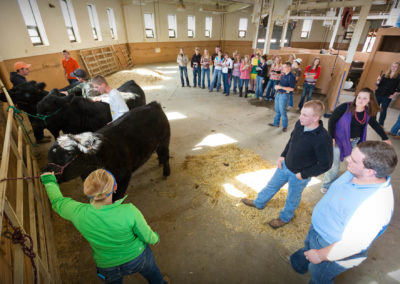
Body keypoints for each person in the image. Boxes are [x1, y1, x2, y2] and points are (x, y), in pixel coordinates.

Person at [290, 141, 397, 284]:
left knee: (319, 276)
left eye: (353, 159)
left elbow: (353, 245)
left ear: (370, 171)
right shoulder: (358, 172)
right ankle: (300, 263)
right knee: (307, 248)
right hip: (317, 230)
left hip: (330, 247)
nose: (347, 159)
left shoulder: (376, 206)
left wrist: (321, 255)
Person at [40, 169, 166, 284]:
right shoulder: (129, 211)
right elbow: (145, 234)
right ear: (115, 187)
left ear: (87, 191)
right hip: (138, 258)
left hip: (107, 266)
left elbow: (57, 202)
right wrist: (155, 239)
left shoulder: (78, 213)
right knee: (152, 272)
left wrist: (49, 181)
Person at [242, 100, 333, 228]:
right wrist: (282, 155)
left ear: (316, 117)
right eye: (301, 113)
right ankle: (259, 203)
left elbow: (325, 164)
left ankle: (285, 218)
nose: (300, 117)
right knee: (271, 186)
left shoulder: (323, 138)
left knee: (292, 198)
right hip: (285, 165)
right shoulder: (300, 124)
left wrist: (304, 174)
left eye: (305, 115)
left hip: (299, 176)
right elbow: (292, 140)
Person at [321, 88, 391, 193]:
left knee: (356, 164)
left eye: (364, 98)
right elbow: (332, 120)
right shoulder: (345, 107)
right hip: (338, 141)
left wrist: (385, 137)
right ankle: (326, 185)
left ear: (369, 101)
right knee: (334, 167)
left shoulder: (367, 113)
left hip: (355, 142)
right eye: (359, 97)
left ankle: (349, 184)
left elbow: (375, 125)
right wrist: (331, 137)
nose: (360, 100)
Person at [268, 62, 296, 132]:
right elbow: (281, 83)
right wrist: (277, 87)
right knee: (277, 110)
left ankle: (285, 126)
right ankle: (276, 123)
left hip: (284, 95)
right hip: (278, 94)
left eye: (284, 67)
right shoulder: (283, 75)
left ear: (289, 68)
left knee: (282, 111)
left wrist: (280, 87)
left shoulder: (291, 76)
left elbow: (292, 89)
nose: (282, 68)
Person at [375, 61, 400, 126]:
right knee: (375, 107)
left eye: (395, 67)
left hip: (388, 95)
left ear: (398, 68)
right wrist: (378, 80)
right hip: (379, 93)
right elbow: (378, 85)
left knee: (383, 110)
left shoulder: (398, 77)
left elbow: (399, 88)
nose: (393, 67)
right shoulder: (385, 75)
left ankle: (381, 124)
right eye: (392, 66)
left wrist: (393, 95)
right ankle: (373, 121)